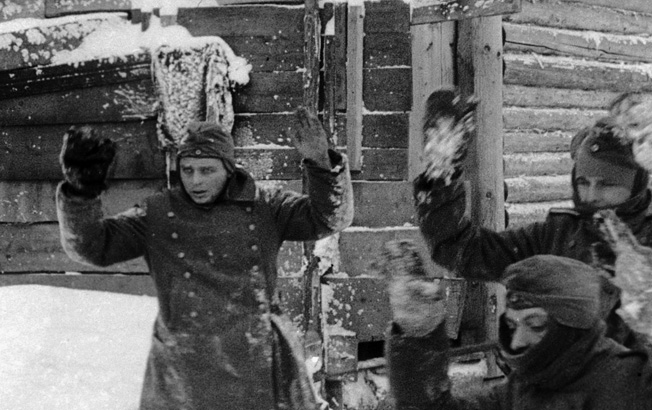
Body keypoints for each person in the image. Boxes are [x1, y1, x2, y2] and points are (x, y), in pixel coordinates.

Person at [56, 108, 354, 410]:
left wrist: (321, 164)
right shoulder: (157, 213)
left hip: (256, 362)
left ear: (228, 168)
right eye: (188, 170)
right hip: (184, 374)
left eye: (207, 170)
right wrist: (81, 193)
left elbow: (330, 219)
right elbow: (92, 247)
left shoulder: (266, 206)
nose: (195, 181)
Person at [414, 88, 652, 352]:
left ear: (636, 184)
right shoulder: (554, 236)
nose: (591, 195)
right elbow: (464, 251)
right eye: (584, 182)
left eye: (607, 184)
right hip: (556, 385)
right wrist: (441, 176)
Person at [382, 244, 652, 410]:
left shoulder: (632, 380)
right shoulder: (522, 388)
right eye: (512, 324)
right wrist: (419, 332)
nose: (519, 340)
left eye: (536, 324)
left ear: (574, 323)